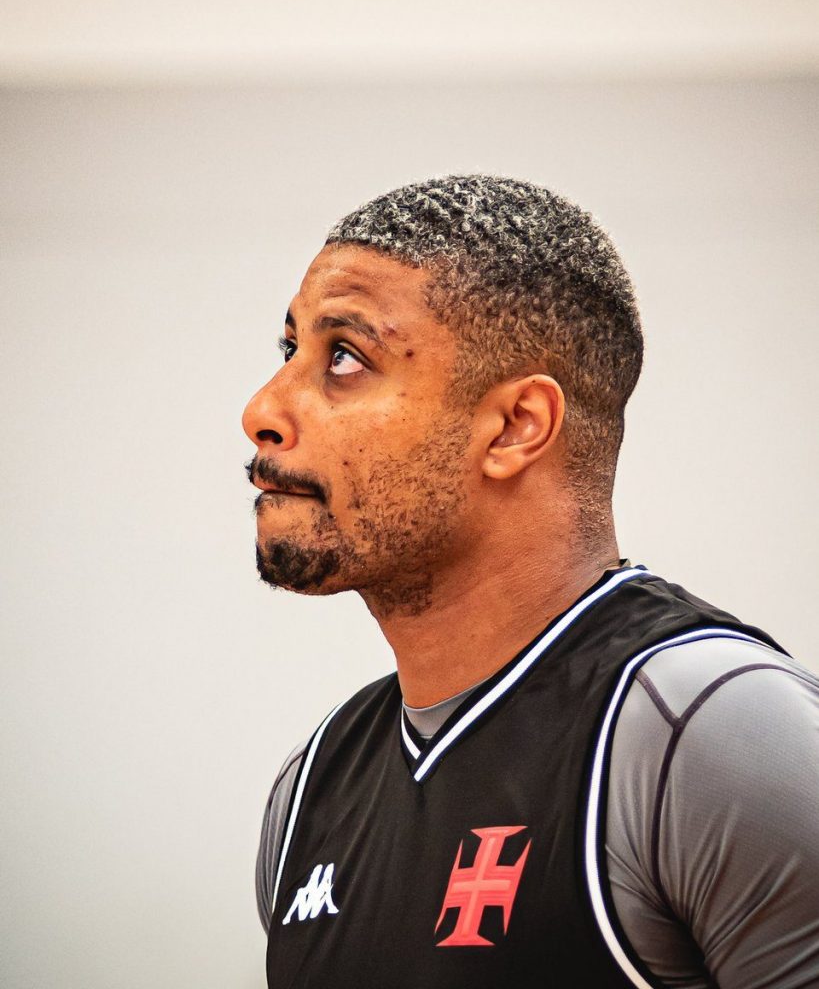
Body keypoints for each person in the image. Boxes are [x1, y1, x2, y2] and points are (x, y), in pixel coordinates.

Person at [242, 175, 819, 988]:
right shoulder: (309, 789)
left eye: (343, 357)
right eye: (289, 352)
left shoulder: (711, 729)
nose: (262, 409)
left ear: (515, 426)